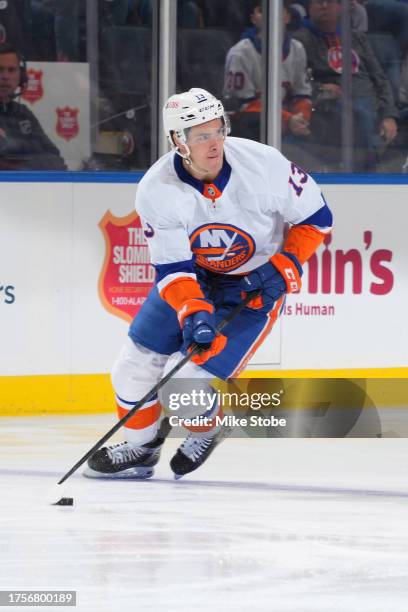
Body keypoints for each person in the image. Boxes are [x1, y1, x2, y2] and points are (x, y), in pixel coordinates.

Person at [84, 87, 332, 481]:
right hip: (192, 278)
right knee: (131, 369)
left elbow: (317, 218)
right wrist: (194, 311)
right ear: (177, 141)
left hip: (252, 288)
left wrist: (282, 265)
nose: (214, 143)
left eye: (218, 130)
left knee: (184, 388)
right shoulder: (156, 188)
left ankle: (207, 428)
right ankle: (141, 447)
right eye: (201, 135)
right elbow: (174, 269)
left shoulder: (264, 164)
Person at [293, 0, 399, 170]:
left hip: (370, 105)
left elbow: (380, 79)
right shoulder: (299, 41)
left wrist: (389, 115)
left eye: (330, 2)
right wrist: (320, 88)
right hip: (330, 108)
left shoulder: (356, 38)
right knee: (358, 113)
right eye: (318, 2)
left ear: (340, 7)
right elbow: (296, 83)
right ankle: (365, 171)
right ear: (309, 7)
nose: (324, 6)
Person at [224, 1, 312, 144]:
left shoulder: (297, 49)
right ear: (253, 19)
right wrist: (288, 119)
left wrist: (302, 117)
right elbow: (243, 106)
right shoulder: (240, 53)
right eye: (261, 11)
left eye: (279, 10)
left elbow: (302, 94)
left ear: (287, 17)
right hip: (246, 123)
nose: (270, 15)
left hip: (286, 118)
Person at [0, 43, 66, 170]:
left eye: (11, 70)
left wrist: (11, 145)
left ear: (22, 76)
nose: (5, 77)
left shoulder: (23, 113)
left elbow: (54, 159)